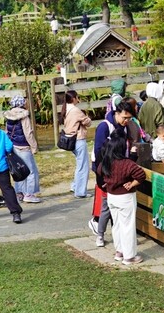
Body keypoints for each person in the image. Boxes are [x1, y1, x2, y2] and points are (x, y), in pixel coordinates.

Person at [89, 102, 134, 247]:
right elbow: (98, 152)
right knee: (106, 207)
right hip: (105, 171)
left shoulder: (124, 127)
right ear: (117, 113)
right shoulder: (104, 127)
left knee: (116, 207)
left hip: (119, 172)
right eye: (124, 117)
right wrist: (102, 175)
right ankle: (99, 233)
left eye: (129, 118)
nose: (126, 121)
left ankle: (119, 237)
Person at [98, 135, 146, 265]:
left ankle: (119, 251)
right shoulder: (127, 163)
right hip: (125, 198)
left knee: (117, 225)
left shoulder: (106, 162)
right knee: (128, 226)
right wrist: (132, 184)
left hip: (111, 197)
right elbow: (141, 175)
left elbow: (99, 172)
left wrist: (108, 182)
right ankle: (129, 257)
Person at [4, 96, 41, 204]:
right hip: (24, 147)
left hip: (13, 147)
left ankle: (19, 193)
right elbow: (28, 134)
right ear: (22, 104)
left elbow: (6, 132)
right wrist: (34, 147)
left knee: (19, 170)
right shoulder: (24, 117)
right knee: (31, 171)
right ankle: (29, 194)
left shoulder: (9, 117)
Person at [62, 90, 92, 198]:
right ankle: (80, 192)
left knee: (79, 165)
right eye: (77, 97)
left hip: (70, 140)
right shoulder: (75, 110)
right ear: (74, 98)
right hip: (79, 140)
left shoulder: (66, 109)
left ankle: (75, 186)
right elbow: (88, 122)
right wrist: (87, 117)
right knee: (83, 167)